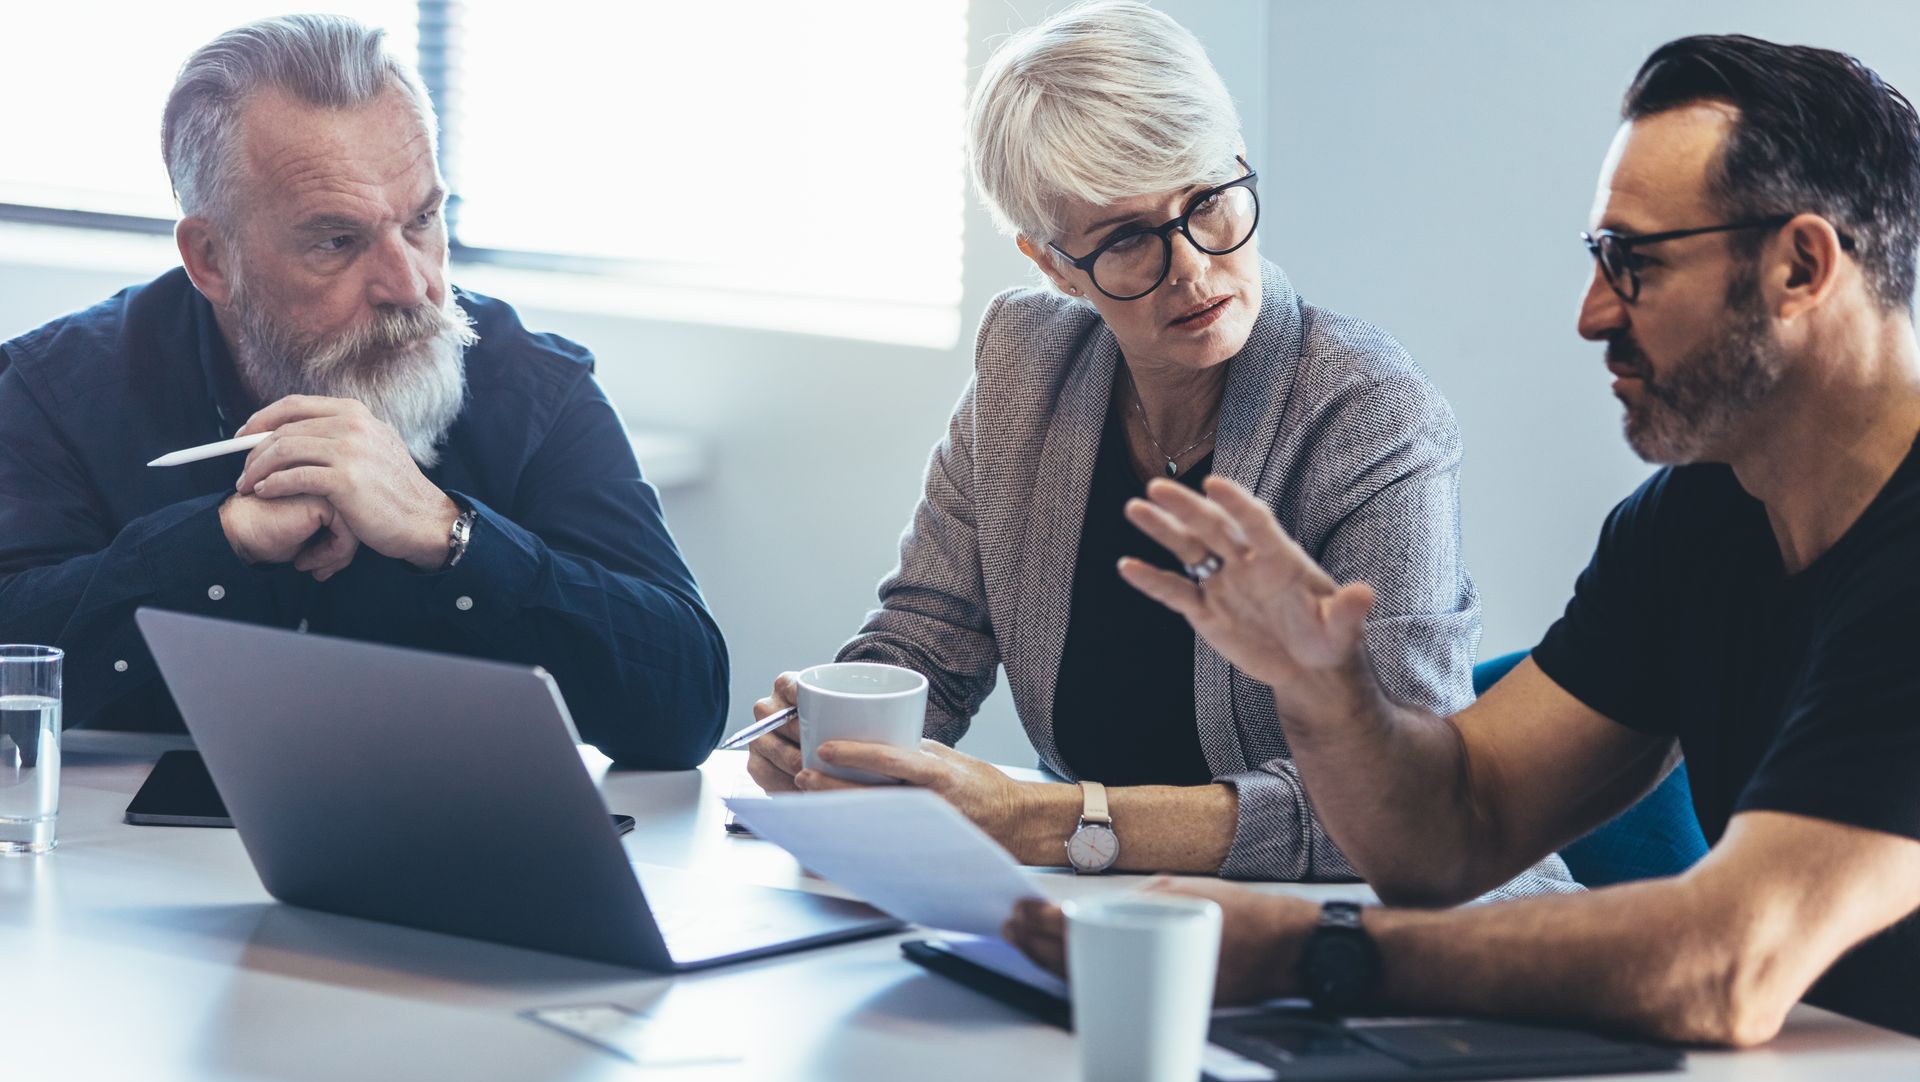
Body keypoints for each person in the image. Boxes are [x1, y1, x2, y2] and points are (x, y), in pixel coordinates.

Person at [1007, 34, 1920, 1043]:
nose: (1590, 313)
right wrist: (1328, 690)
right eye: (1596, 259)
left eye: (1634, 262)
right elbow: (1451, 829)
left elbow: (1727, 962)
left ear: (1800, 264)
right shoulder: (1699, 519)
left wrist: (1304, 950)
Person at [745, 1, 1572, 893]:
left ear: (1242, 168)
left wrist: (1050, 820)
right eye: (1129, 239)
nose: (1191, 267)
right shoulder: (1026, 365)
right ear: (1053, 264)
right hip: (1118, 910)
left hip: (1366, 931)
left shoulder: (1369, 415)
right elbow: (930, 639)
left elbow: (1404, 808)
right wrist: (840, 740)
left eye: (1208, 204)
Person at [0, 15, 727, 767]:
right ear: (212, 258)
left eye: (421, 220)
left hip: (463, 866)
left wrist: (448, 534)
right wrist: (220, 541)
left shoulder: (533, 388)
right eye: (336, 241)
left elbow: (686, 709)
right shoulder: (60, 392)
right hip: (116, 875)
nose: (411, 285)